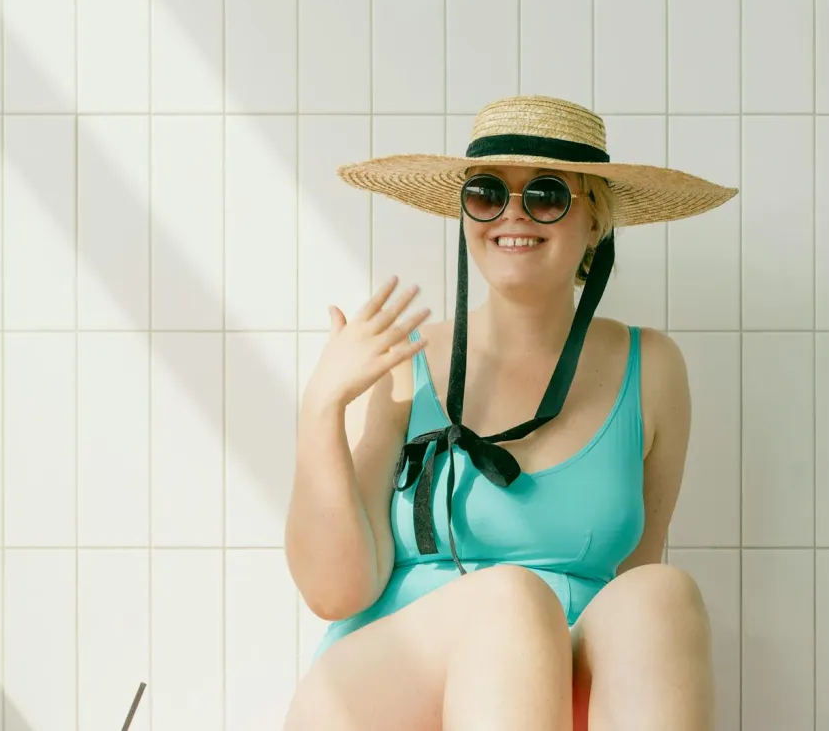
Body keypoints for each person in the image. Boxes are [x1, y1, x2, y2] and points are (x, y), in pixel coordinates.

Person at [282, 95, 737, 731]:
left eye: (546, 195)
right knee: (510, 599)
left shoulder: (653, 369)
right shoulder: (403, 362)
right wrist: (322, 406)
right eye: (487, 193)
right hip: (383, 687)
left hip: (557, 682)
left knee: (661, 596)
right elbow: (335, 593)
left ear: (595, 222)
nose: (512, 216)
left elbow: (631, 580)